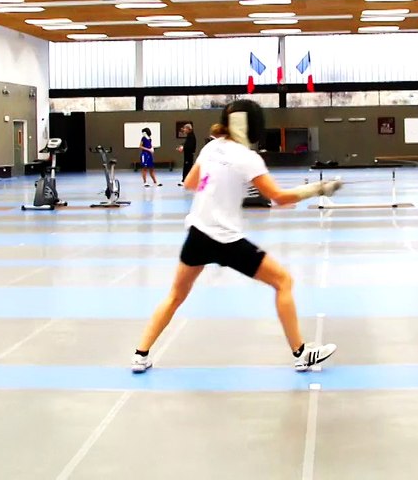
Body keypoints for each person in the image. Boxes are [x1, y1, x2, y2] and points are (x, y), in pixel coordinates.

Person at [132, 99, 343, 373]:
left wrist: (217, 181)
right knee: (283, 281)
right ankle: (301, 354)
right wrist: (318, 189)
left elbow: (190, 184)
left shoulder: (210, 147)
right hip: (228, 242)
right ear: (254, 125)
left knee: (175, 295)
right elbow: (279, 198)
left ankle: (140, 354)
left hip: (197, 236)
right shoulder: (248, 158)